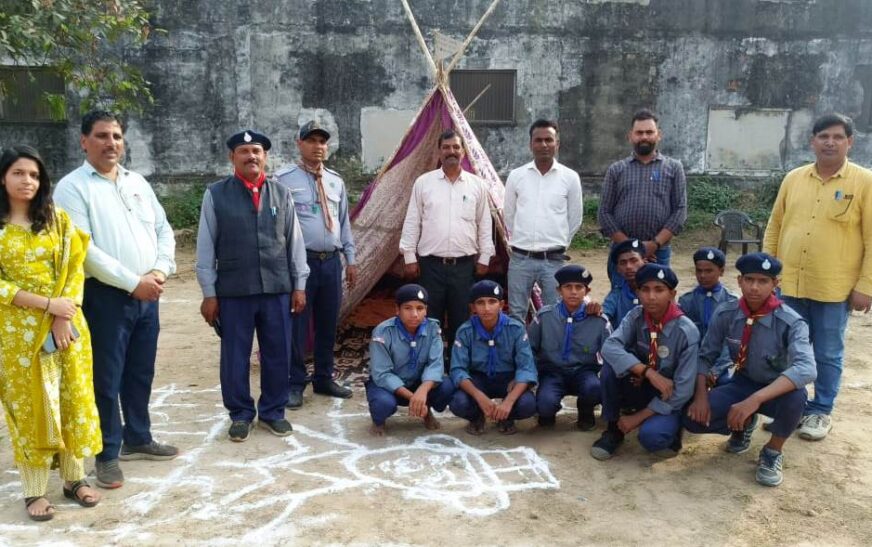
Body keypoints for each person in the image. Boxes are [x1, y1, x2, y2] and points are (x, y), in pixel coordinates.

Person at [54, 111, 178, 490]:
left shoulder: (137, 182)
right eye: (102, 136)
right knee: (105, 378)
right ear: (84, 141)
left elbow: (162, 229)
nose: (112, 143)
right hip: (105, 297)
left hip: (148, 293)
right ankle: (107, 453)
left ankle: (137, 437)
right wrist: (131, 282)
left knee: (140, 371)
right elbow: (84, 250)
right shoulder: (72, 188)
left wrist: (159, 271)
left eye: (117, 136)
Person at [0, 146, 102, 520]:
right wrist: (45, 305)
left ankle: (74, 479)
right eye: (18, 173)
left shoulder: (56, 220)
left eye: (34, 175)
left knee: (71, 398)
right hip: (17, 335)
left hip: (66, 328)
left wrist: (63, 313)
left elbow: (75, 267)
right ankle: (34, 490)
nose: (27, 181)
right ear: (3, 178)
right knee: (29, 409)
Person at [763, 113, 872, 441]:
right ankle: (793, 407)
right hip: (790, 286)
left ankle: (821, 411)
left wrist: (866, 286)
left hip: (833, 289)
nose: (830, 142)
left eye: (838, 137)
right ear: (812, 141)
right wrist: (768, 273)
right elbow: (775, 227)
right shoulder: (794, 178)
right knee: (789, 352)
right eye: (823, 136)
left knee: (827, 353)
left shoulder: (864, 182)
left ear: (849, 142)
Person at [196, 130, 309, 442]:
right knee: (235, 356)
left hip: (277, 288)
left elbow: (295, 243)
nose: (251, 157)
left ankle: (273, 411)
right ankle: (240, 414)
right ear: (232, 158)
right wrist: (209, 293)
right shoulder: (216, 194)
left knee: (278, 353)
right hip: (234, 291)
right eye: (244, 151)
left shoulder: (281, 194)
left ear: (265, 156)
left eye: (256, 151)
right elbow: (206, 247)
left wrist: (299, 285)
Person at [683, 253, 816, 487]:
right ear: (739, 281)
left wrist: (755, 399)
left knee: (798, 396)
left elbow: (806, 369)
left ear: (776, 284)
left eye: (763, 281)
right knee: (692, 420)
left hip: (775, 389)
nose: (754, 287)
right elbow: (705, 356)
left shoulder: (791, 322)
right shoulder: (727, 313)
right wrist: (701, 396)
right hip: (742, 382)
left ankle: (772, 451)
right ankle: (743, 424)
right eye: (749, 280)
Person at [276, 121, 357, 407]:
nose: (318, 147)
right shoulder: (283, 180)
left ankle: (323, 377)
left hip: (331, 262)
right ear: (299, 144)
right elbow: (276, 223)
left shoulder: (335, 181)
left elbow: (344, 222)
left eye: (322, 142)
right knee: (298, 324)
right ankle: (295, 382)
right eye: (311, 141)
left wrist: (351, 259)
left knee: (327, 322)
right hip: (301, 263)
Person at [399, 129, 495, 358]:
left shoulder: (477, 185)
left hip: (464, 267)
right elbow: (413, 220)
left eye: (456, 147)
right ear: (439, 152)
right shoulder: (424, 183)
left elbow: (484, 224)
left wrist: (485, 256)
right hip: (430, 265)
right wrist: (409, 256)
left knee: (461, 319)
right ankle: (428, 365)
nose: (451, 151)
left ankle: (457, 367)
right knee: (428, 318)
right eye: (446, 147)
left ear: (463, 152)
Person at [591, 264, 699, 460]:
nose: (651, 297)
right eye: (645, 290)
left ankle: (673, 430)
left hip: (670, 395)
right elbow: (610, 347)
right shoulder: (636, 316)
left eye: (659, 290)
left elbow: (683, 390)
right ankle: (613, 428)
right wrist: (647, 372)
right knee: (609, 369)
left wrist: (637, 418)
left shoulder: (686, 331)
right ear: (637, 292)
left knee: (652, 438)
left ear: (672, 294)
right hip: (646, 382)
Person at [504, 119, 583, 321]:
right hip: (521, 259)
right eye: (538, 140)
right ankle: (520, 352)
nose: (544, 145)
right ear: (531, 144)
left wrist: (559, 244)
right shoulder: (516, 176)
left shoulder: (570, 177)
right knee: (517, 314)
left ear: (557, 143)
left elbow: (575, 218)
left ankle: (548, 353)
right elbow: (509, 216)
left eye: (549, 140)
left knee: (554, 314)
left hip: (553, 261)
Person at [598, 109, 687, 283]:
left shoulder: (674, 168)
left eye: (649, 132)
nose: (644, 137)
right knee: (620, 301)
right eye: (639, 133)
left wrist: (653, 245)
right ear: (630, 136)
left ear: (658, 135)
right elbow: (604, 213)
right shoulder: (617, 170)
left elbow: (680, 210)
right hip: (622, 254)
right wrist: (633, 249)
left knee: (656, 301)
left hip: (658, 252)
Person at [448, 280, 538, 435]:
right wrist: (479, 396)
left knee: (527, 405)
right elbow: (458, 369)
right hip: (479, 379)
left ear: (502, 304)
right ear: (473, 307)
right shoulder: (465, 331)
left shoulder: (515, 329)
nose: (487, 308)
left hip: (508, 379)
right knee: (458, 403)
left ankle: (506, 416)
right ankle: (477, 416)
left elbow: (526, 367)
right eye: (480, 303)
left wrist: (509, 401)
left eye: (492, 302)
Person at [365, 284, 456, 436]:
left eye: (420, 308)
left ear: (426, 310)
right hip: (389, 388)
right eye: (408, 308)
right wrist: (414, 398)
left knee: (448, 386)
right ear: (397, 310)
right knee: (383, 403)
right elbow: (382, 374)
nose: (414, 314)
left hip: (418, 383)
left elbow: (435, 365)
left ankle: (426, 411)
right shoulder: (383, 332)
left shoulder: (433, 329)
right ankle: (379, 421)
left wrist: (422, 390)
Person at [529, 265, 610, 431]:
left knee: (594, 388)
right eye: (568, 287)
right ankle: (547, 411)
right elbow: (529, 349)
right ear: (559, 290)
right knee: (545, 405)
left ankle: (586, 410)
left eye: (579, 287)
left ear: (587, 291)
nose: (573, 292)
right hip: (552, 371)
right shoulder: (544, 317)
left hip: (584, 371)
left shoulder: (598, 320)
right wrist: (531, 378)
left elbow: (611, 354)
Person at [677, 247, 737, 385]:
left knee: (729, 381)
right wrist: (699, 370)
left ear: (721, 271)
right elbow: (684, 340)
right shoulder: (686, 301)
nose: (703, 276)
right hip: (693, 362)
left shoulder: (732, 302)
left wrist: (716, 370)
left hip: (725, 363)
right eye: (699, 270)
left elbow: (732, 342)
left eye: (709, 271)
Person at [602, 238, 645, 327]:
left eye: (634, 260)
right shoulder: (617, 293)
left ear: (644, 262)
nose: (628, 266)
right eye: (623, 263)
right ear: (618, 269)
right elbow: (604, 313)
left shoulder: (656, 291)